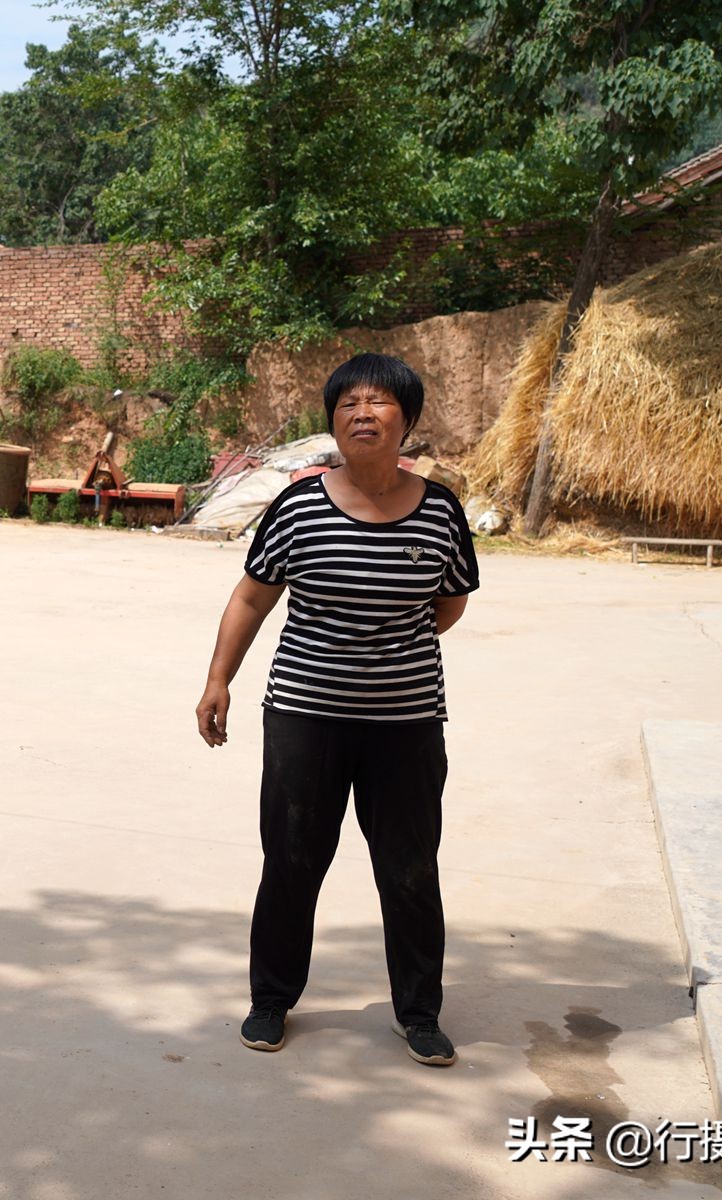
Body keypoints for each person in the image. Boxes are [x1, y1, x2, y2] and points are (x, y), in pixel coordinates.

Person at [195, 352, 478, 1068]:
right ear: (333, 421)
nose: (362, 413)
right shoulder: (297, 504)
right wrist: (218, 678)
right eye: (348, 403)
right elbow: (254, 595)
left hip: (407, 725)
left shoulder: (442, 509)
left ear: (407, 421)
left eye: (380, 402)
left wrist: (384, 651)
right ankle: (270, 1000)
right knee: (291, 861)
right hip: (303, 717)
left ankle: (419, 1013)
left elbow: (449, 602)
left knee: (410, 867)